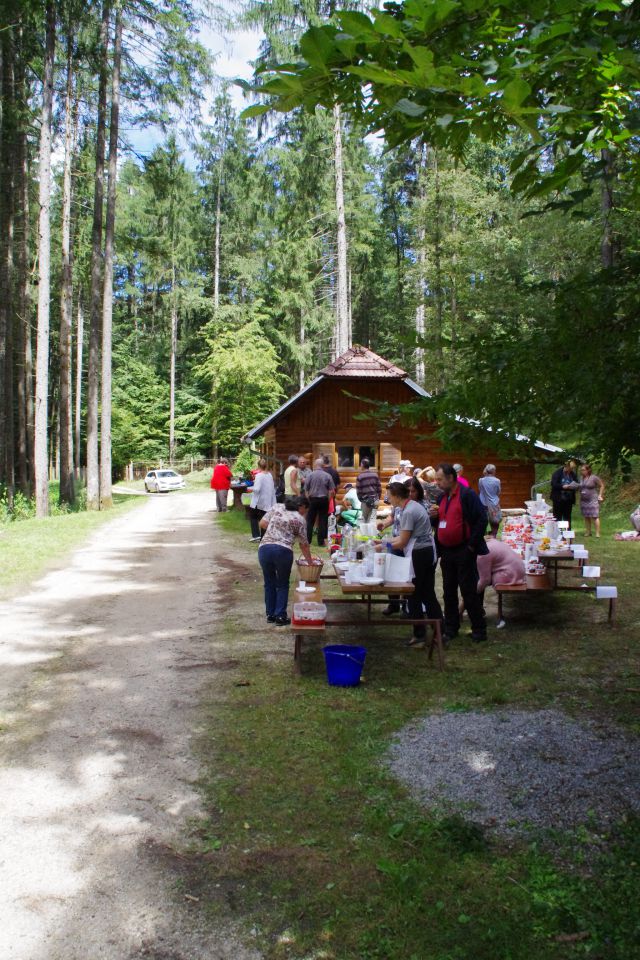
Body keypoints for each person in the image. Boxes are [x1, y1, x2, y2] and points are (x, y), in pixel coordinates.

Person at [377, 481, 442, 647]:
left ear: (397, 496)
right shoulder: (412, 506)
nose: (387, 498)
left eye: (389, 496)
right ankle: (440, 633)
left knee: (413, 593)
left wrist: (384, 545)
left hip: (419, 554)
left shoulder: (408, 511)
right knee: (428, 593)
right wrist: (383, 542)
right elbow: (400, 538)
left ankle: (419, 635)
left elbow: (403, 542)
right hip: (426, 551)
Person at [436, 462, 489, 644]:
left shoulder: (467, 495)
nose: (437, 483)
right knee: (448, 591)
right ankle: (451, 628)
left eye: (440, 479)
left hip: (464, 549)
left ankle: (479, 629)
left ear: (451, 478)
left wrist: (471, 547)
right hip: (447, 552)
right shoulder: (442, 497)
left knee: (468, 591)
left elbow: (482, 519)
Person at [258, 497, 314, 625]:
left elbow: (262, 523)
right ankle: (280, 616)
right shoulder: (300, 519)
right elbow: (304, 545)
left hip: (264, 548)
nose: (304, 513)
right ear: (302, 507)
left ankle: (270, 614)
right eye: (305, 510)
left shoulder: (277, 507)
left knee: (269, 582)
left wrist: (276, 531)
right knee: (283, 583)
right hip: (283, 552)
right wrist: (310, 563)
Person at [304, 458, 335, 547]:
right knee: (322, 520)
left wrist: (308, 500)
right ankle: (321, 541)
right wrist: (328, 500)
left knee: (310, 520)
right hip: (324, 499)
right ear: (323, 465)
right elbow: (331, 491)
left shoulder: (310, 475)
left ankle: (308, 540)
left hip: (312, 499)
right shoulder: (328, 475)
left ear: (315, 465)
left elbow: (306, 490)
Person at [248, 459, 277, 542]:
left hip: (259, 500)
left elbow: (257, 489)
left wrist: (250, 489)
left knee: (253, 517)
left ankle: (256, 535)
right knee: (264, 517)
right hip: (267, 500)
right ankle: (264, 536)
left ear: (258, 466)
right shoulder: (269, 475)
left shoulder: (259, 475)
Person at [579, 463, 605, 537]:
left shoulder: (594, 477)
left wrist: (600, 495)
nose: (582, 471)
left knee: (595, 516)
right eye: (581, 470)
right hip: (583, 500)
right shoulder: (581, 478)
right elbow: (581, 487)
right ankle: (588, 532)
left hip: (592, 499)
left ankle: (597, 533)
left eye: (583, 470)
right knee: (586, 516)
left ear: (588, 470)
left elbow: (602, 485)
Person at [550, 460, 579, 525]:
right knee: (557, 516)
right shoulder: (557, 473)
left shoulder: (572, 474)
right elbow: (554, 484)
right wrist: (563, 486)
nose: (571, 470)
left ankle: (568, 532)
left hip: (569, 499)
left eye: (572, 468)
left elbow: (576, 482)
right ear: (566, 466)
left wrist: (575, 486)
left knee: (567, 516)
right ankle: (558, 532)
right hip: (558, 499)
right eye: (571, 468)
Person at [478, 464, 502, 537]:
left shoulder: (481, 480)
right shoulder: (497, 481)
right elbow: (498, 492)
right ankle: (493, 535)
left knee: (483, 519)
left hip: (483, 502)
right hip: (494, 502)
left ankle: (482, 534)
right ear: (494, 471)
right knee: (495, 520)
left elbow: (480, 490)